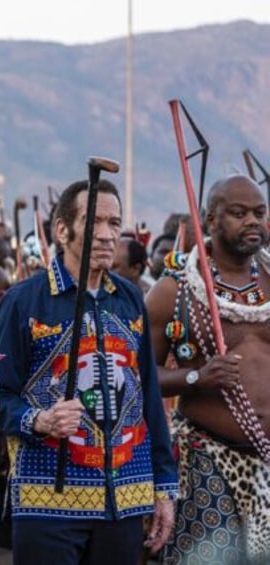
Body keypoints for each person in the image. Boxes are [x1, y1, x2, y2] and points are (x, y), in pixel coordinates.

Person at [0, 178, 178, 565]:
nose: (109, 235)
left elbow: (148, 400)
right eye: (96, 223)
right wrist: (38, 419)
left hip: (124, 500)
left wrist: (163, 488)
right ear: (62, 230)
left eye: (115, 223)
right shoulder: (24, 301)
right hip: (48, 502)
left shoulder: (129, 300)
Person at [146, 175, 270, 564]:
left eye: (259, 212)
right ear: (210, 221)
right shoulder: (175, 291)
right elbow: (138, 376)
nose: (252, 221)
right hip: (209, 462)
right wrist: (197, 376)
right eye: (238, 213)